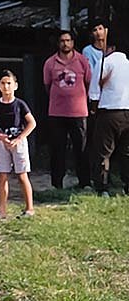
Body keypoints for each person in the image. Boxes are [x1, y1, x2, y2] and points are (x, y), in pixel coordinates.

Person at [41, 30, 91, 191]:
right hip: (57, 112)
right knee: (57, 150)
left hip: (78, 112)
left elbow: (88, 82)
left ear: (73, 43)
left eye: (68, 40)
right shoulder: (50, 62)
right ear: (58, 43)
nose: (65, 44)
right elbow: (47, 85)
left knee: (81, 149)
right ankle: (57, 184)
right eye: (62, 41)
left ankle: (84, 183)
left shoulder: (82, 61)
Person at [0, 70, 36, 219]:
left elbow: (32, 123)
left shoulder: (20, 104)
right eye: (3, 83)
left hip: (18, 144)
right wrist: (0, 137)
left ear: (15, 86)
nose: (6, 87)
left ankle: (29, 209)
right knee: (2, 176)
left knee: (22, 175)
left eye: (9, 83)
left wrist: (19, 138)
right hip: (3, 143)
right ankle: (1, 210)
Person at [94, 36, 129, 195]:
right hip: (127, 112)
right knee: (126, 152)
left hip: (108, 112)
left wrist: (93, 110)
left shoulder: (105, 63)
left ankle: (103, 188)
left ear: (111, 48)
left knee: (104, 153)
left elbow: (94, 91)